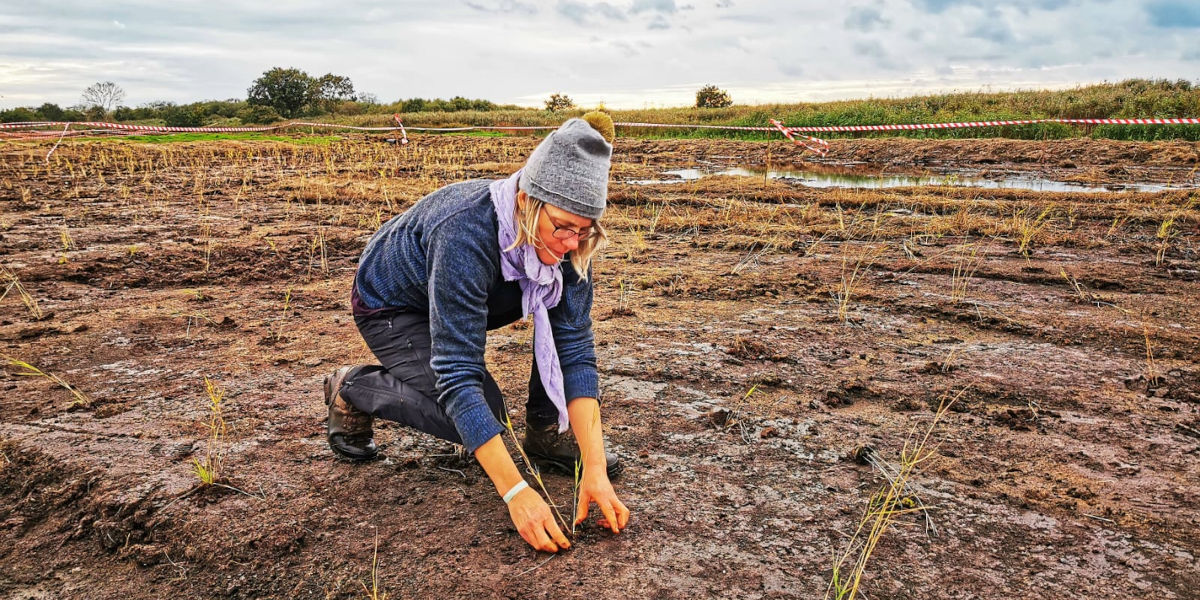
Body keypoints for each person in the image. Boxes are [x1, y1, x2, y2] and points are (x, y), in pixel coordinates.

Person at [323, 112, 630, 553]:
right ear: (526, 201)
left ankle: (545, 434)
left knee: (555, 330)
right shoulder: (464, 233)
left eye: (583, 232)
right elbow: (456, 371)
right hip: (394, 303)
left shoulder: (570, 242)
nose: (569, 243)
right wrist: (516, 493)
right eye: (562, 226)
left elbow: (575, 350)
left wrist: (594, 470)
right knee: (480, 407)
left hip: (477, 290)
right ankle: (353, 388)